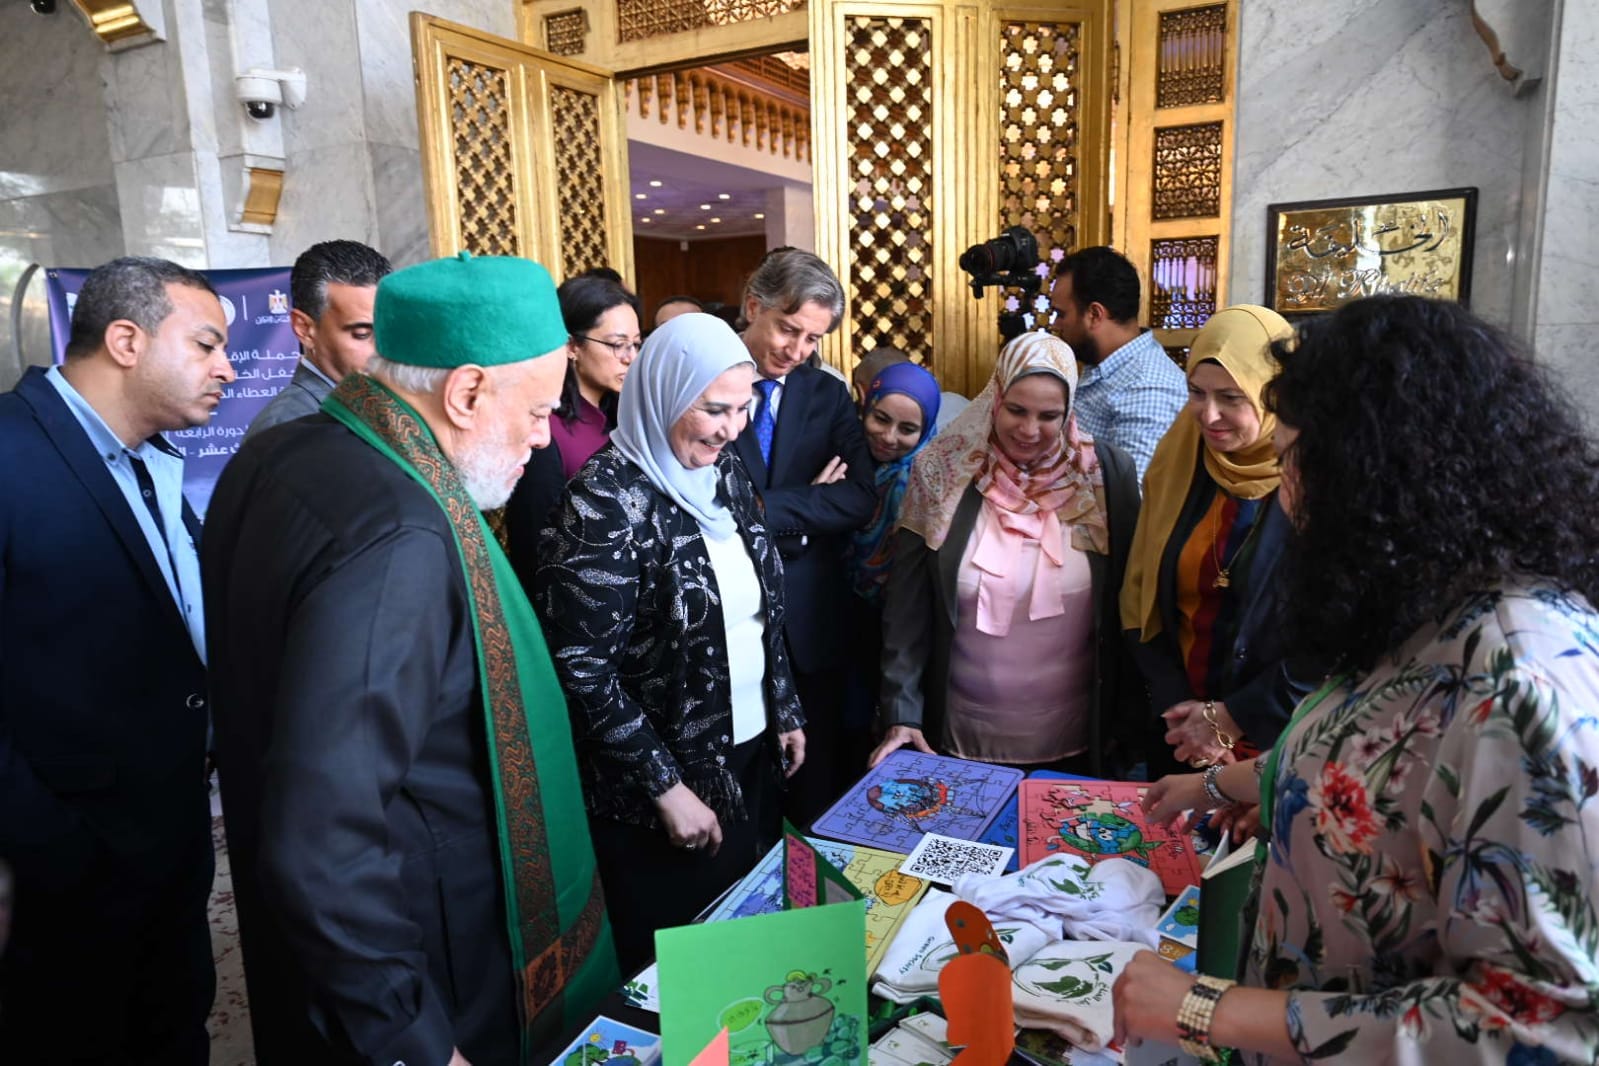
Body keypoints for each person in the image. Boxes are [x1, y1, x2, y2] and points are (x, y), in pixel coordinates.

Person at [1114, 295, 1599, 1064]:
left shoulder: (1517, 688)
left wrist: (1208, 1009)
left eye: (1292, 458)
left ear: (1374, 474)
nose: (1284, 489)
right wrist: (1221, 785)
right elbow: (1381, 762)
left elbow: (1540, 1030)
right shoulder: (1419, 605)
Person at [204, 253, 616, 1066]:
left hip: (303, 951)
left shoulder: (281, 451)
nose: (544, 438)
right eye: (537, 411)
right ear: (465, 393)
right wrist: (413, 1037)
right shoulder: (403, 535)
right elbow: (326, 835)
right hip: (423, 955)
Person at [0, 256, 232, 1064]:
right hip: (59, 868)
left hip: (169, 842)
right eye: (206, 345)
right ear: (127, 341)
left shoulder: (155, 461)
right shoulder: (9, 450)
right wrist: (46, 847)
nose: (228, 370)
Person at [534, 313, 806, 971]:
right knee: (682, 972)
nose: (731, 428)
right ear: (660, 395)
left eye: (742, 407)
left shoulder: (723, 472)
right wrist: (665, 786)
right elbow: (580, 670)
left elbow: (758, 608)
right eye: (713, 409)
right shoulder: (602, 502)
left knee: (747, 952)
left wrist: (784, 706)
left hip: (746, 759)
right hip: (661, 789)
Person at [871, 331, 1143, 775]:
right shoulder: (942, 471)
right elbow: (907, 608)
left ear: (1069, 411)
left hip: (1077, 735)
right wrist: (902, 711)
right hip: (956, 735)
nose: (1029, 430)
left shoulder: (1104, 476)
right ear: (995, 397)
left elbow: (1128, 601)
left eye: (1049, 416)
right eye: (1016, 410)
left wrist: (1129, 722)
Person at [1120, 306, 1318, 781]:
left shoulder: (1315, 478)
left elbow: (1330, 638)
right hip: (1181, 733)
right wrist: (1185, 717)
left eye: (1231, 397)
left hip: (1284, 735)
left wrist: (1233, 720)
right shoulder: (1181, 456)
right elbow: (1141, 597)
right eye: (1196, 393)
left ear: (1276, 394)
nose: (1208, 415)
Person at [730, 247, 876, 820]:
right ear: (753, 307)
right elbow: (704, 509)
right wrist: (809, 507)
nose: (797, 351)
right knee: (745, 796)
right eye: (788, 330)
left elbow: (859, 497)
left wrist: (764, 507)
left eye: (813, 338)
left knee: (815, 791)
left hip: (811, 621)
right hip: (731, 616)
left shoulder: (825, 393)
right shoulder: (705, 383)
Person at [504, 273, 642, 582]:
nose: (630, 358)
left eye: (635, 344)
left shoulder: (624, 416)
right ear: (571, 345)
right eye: (617, 345)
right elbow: (534, 546)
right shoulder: (545, 433)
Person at [842, 361, 942, 772]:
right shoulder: (844, 466)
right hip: (844, 624)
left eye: (907, 429)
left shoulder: (930, 485)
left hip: (905, 632)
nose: (888, 437)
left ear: (926, 430)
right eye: (880, 419)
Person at [1047, 246, 1187, 483]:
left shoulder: (1146, 390)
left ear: (1094, 314)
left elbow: (1129, 498)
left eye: (1061, 314)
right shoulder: (1104, 365)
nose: (1055, 325)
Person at [243, 239, 391, 441]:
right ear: (304, 329)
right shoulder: (288, 428)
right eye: (362, 334)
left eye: (390, 331)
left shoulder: (382, 406)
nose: (383, 350)